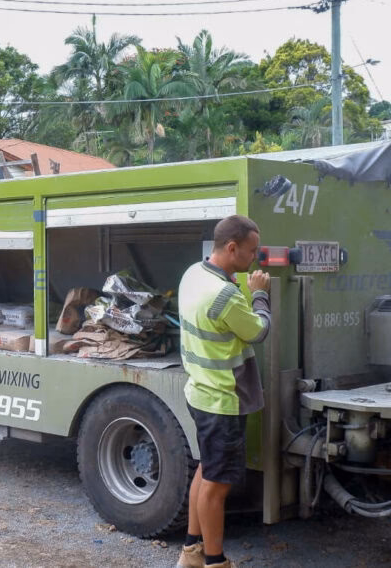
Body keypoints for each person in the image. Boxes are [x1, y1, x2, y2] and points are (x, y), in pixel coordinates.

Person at [175, 215, 271, 568]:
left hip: (199, 392)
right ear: (232, 248)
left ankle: (191, 552)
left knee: (207, 470)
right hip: (222, 400)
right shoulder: (227, 295)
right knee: (216, 486)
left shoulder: (193, 274)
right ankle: (215, 562)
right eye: (251, 251)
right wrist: (260, 294)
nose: (255, 258)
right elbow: (257, 331)